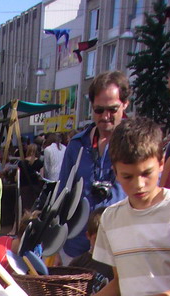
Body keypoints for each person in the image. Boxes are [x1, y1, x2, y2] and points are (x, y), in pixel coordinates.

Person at [78, 117, 170, 296]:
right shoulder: (110, 218)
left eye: (146, 173)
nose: (139, 185)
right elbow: (120, 281)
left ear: (160, 164)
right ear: (115, 172)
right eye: (128, 176)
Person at [57, 71, 130, 263]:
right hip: (77, 247)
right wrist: (56, 245)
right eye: (99, 110)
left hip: (121, 247)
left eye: (112, 109)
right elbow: (62, 195)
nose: (105, 116)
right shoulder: (77, 145)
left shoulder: (135, 144)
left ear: (125, 105)